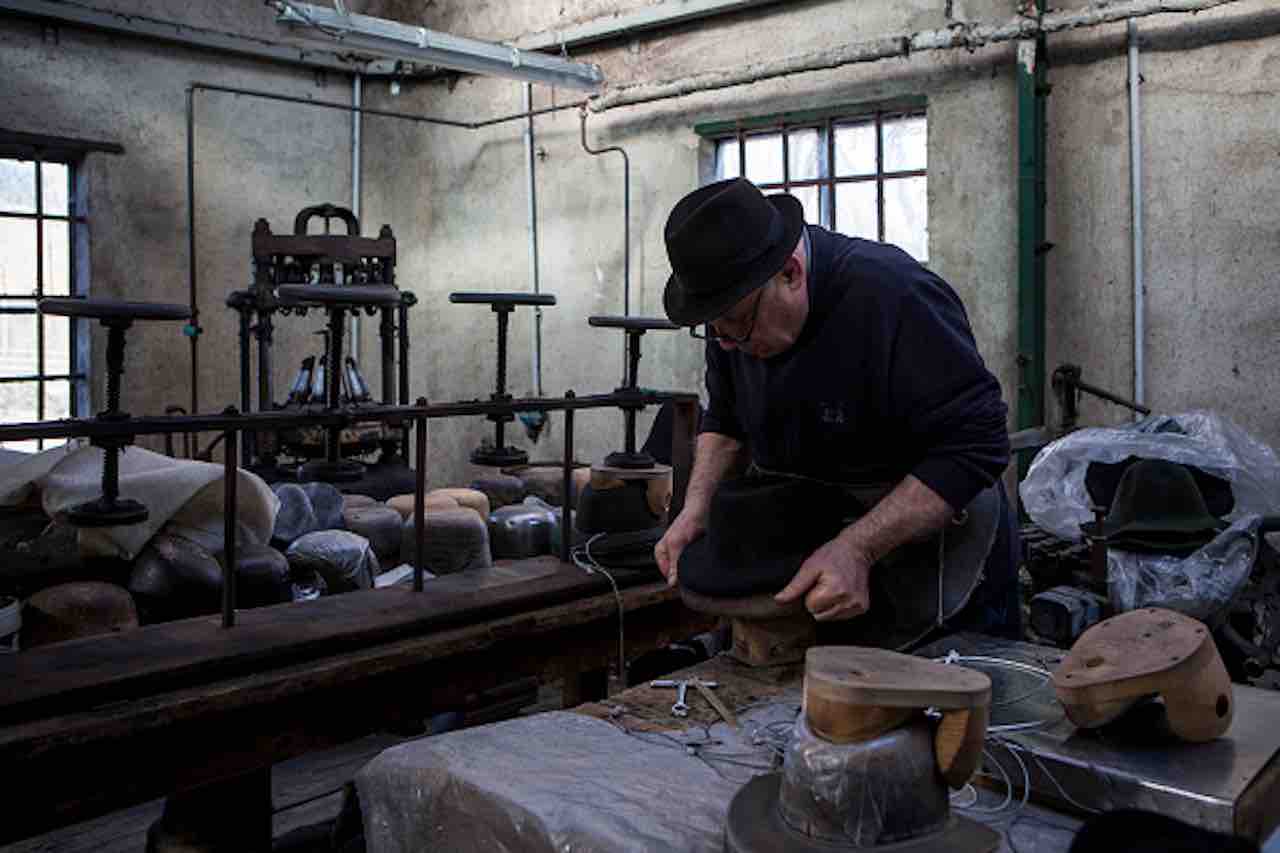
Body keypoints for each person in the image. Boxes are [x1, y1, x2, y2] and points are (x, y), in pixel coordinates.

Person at [655, 177, 1019, 636]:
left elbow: (976, 447)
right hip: (827, 543)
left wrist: (859, 548)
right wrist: (696, 509)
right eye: (715, 330)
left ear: (791, 273)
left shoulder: (894, 295)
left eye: (738, 326)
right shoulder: (733, 322)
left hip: (940, 554)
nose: (727, 343)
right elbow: (726, 418)